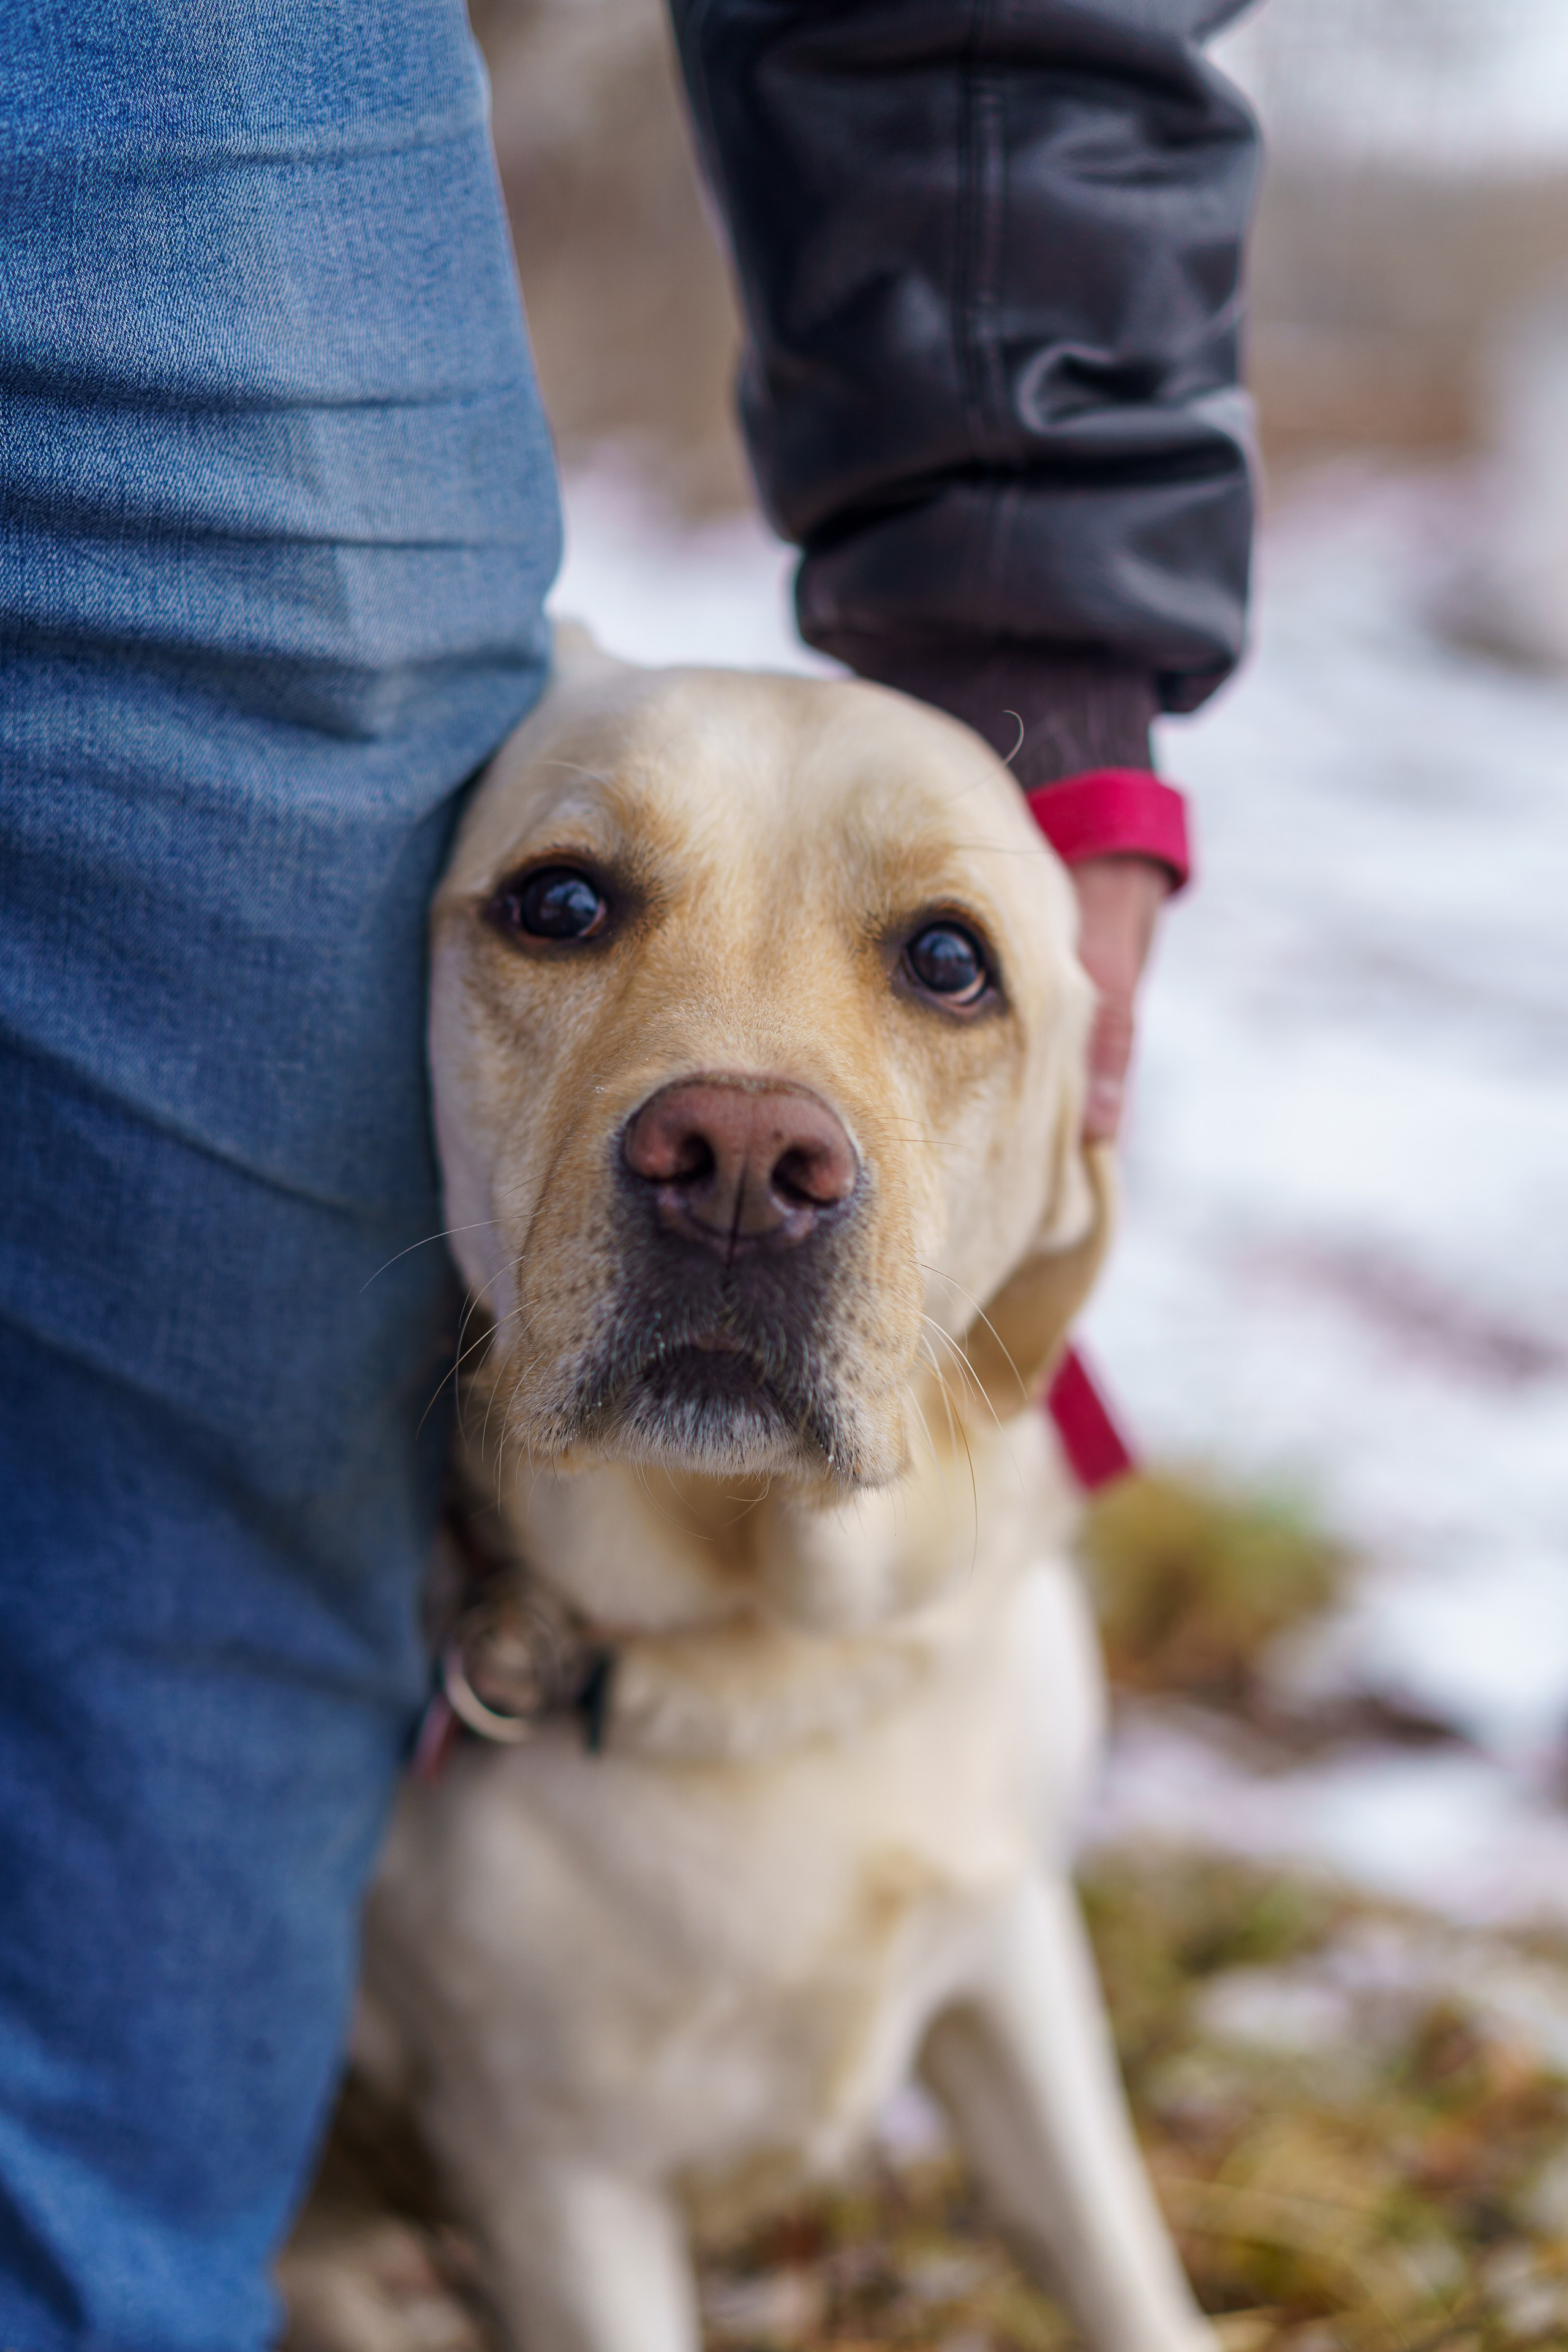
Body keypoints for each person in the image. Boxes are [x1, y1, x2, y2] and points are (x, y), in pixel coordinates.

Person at [0, 2, 1257, 2342]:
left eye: (939, 968)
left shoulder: (1017, 1611)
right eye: (574, 911)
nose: (741, 1140)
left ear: (1062, 1202)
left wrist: (1062, 661)